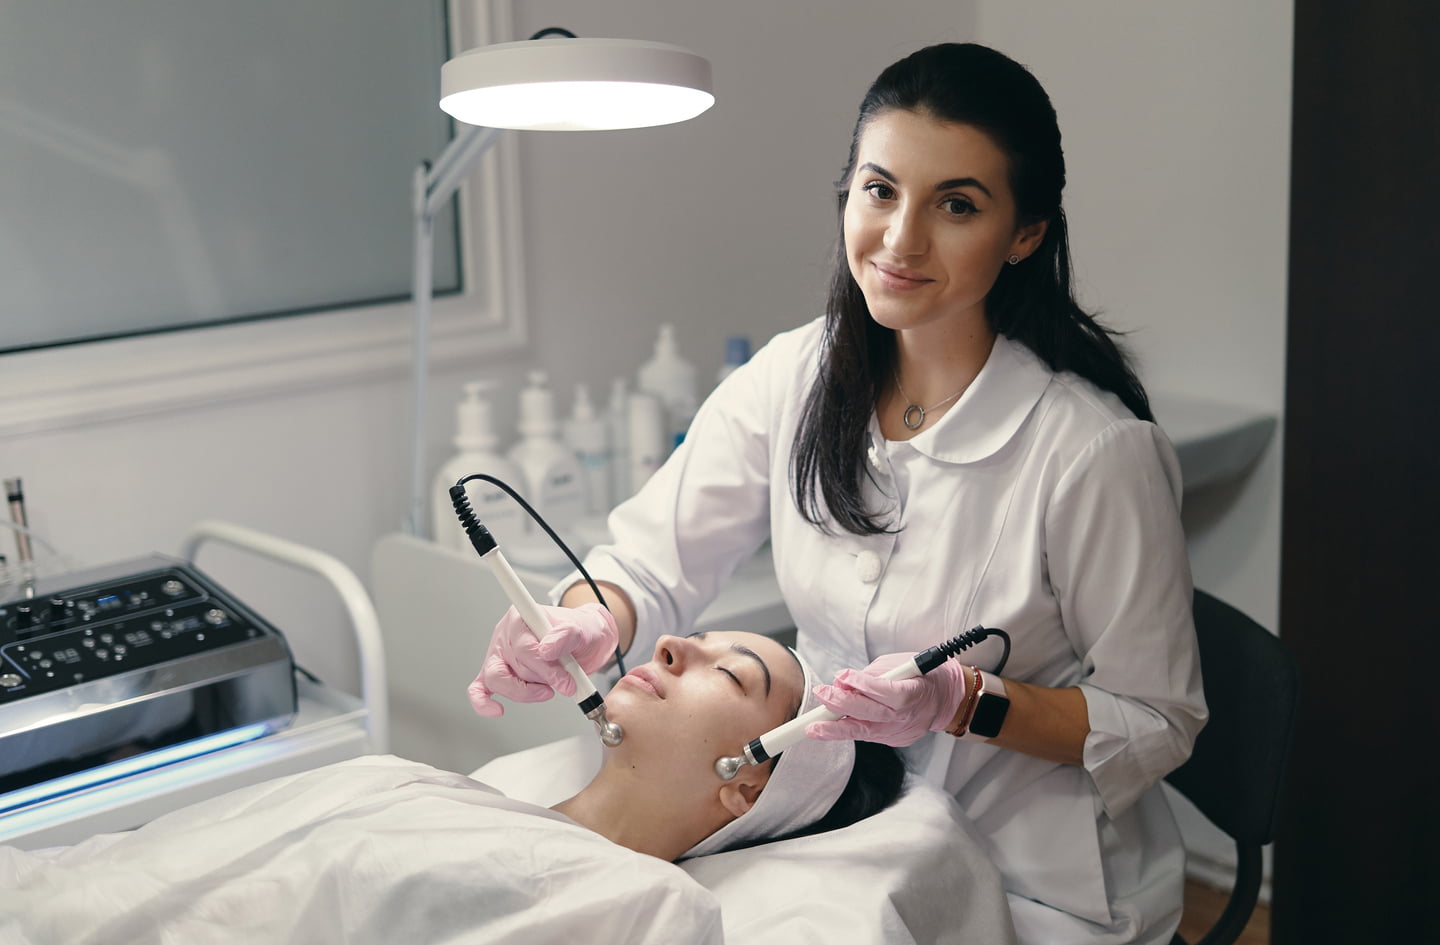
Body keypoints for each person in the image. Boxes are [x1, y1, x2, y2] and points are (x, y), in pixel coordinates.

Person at [468, 42, 1207, 945]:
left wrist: (963, 700)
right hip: (833, 832)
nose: (901, 240)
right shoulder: (795, 376)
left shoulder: (1091, 453)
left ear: (1026, 234)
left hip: (1030, 883)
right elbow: (651, 564)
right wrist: (588, 620)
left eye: (957, 205)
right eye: (880, 189)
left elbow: (1158, 719)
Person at [1, 630, 905, 944]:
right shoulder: (420, 782)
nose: (672, 645)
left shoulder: (650, 907)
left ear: (745, 786)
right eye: (696, 637)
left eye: (730, 673)